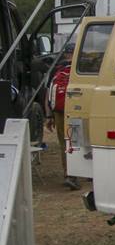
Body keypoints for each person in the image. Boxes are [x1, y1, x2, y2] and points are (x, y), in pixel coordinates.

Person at [45, 56, 78, 190]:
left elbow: (48, 94)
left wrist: (48, 116)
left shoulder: (56, 69)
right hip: (77, 110)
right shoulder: (83, 65)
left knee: (64, 143)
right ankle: (83, 173)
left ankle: (68, 174)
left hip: (59, 111)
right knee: (78, 141)